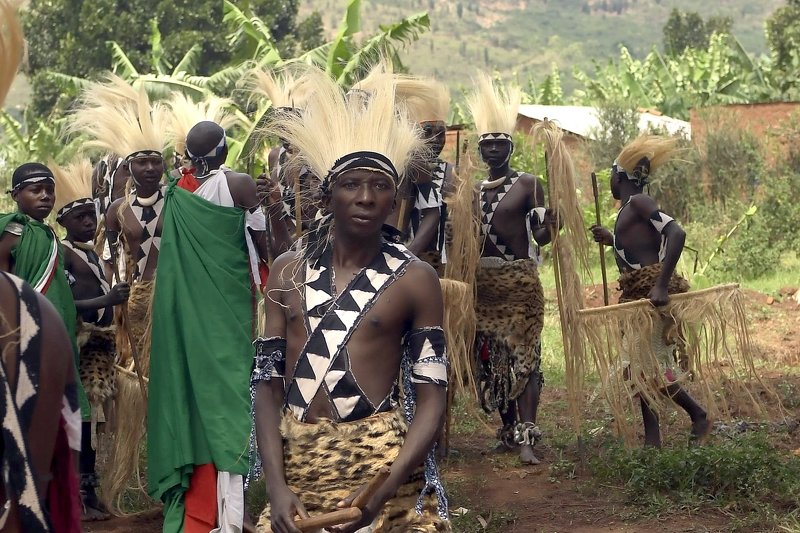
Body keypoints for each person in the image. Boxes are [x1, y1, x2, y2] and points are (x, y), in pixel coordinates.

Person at [253, 67, 450, 533]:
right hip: (298, 468)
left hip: (379, 464)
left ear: (395, 197)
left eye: (380, 186)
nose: (366, 198)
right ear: (327, 193)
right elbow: (266, 385)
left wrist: (384, 489)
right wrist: (276, 487)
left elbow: (432, 398)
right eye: (351, 185)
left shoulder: (415, 279)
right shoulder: (288, 272)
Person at [146, 119, 269, 532]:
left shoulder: (177, 192)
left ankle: (211, 502)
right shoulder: (240, 185)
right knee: (232, 390)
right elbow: (265, 240)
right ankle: (235, 511)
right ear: (224, 150)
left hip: (189, 306)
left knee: (201, 386)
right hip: (231, 305)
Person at [67, 74, 172, 510]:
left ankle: (171, 470)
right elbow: (109, 258)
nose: (148, 168)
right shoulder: (117, 211)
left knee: (167, 383)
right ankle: (117, 477)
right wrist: (118, 300)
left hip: (171, 301)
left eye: (155, 160)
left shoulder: (181, 202)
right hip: (135, 307)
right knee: (135, 388)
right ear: (129, 166)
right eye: (140, 161)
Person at [0, 4, 79, 531]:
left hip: (51, 336)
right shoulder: (12, 226)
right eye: (35, 189)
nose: (45, 196)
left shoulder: (52, 237)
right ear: (15, 195)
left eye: (49, 189)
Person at [590, 135, 711, 447]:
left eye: (611, 176)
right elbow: (639, 246)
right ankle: (653, 438)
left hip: (650, 296)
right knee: (640, 370)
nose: (610, 182)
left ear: (620, 176)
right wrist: (610, 238)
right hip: (638, 296)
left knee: (650, 368)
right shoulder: (629, 209)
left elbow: (676, 233)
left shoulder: (640, 203)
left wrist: (660, 284)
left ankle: (697, 414)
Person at [467, 74, 558, 465]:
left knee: (524, 359)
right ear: (479, 149)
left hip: (518, 283)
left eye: (499, 143)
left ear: (511, 145)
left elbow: (541, 235)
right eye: (486, 144)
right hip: (484, 287)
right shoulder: (471, 192)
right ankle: (507, 431)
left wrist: (554, 222)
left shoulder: (527, 184)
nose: (493, 150)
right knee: (491, 361)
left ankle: (527, 437)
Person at [52, 158, 131, 521]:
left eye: (90, 214)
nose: (88, 220)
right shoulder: (64, 255)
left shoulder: (94, 255)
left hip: (101, 347)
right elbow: (65, 302)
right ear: (63, 222)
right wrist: (106, 300)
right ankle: (79, 492)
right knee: (83, 420)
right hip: (82, 346)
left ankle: (89, 488)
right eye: (79, 216)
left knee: (95, 421)